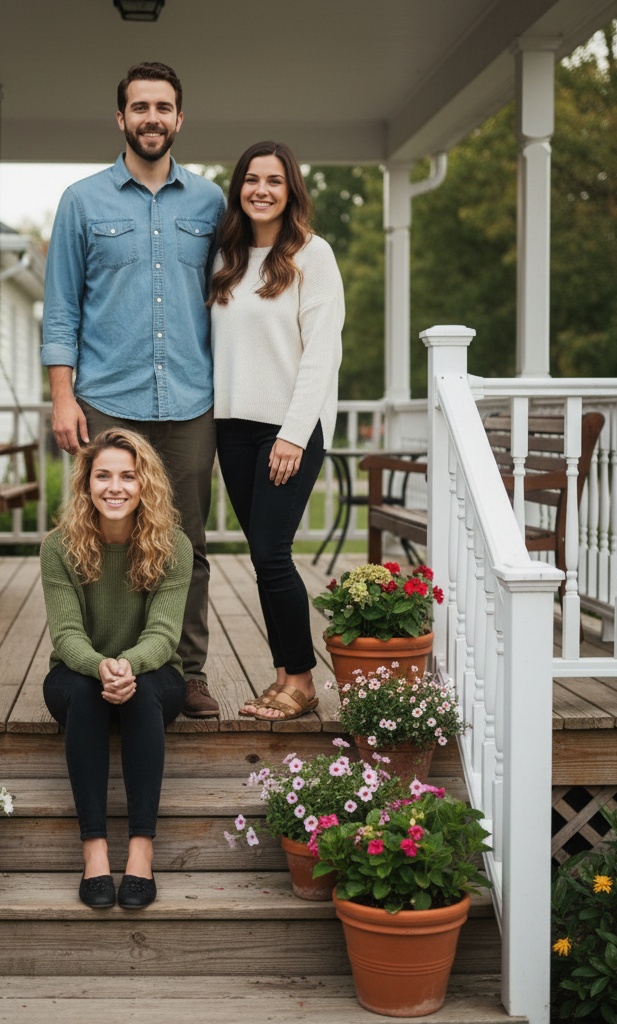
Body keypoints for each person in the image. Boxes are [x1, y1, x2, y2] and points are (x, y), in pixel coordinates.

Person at [41, 61, 225, 719]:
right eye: (140, 107)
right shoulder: (82, 201)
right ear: (121, 118)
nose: (152, 118)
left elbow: (230, 298)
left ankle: (189, 670)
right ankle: (85, 658)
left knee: (188, 542)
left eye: (164, 107)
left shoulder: (210, 203)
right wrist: (63, 396)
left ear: (180, 118)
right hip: (105, 400)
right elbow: (61, 307)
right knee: (94, 534)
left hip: (190, 400)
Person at [209, 141, 345, 722]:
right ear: (238, 187)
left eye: (274, 180)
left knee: (271, 553)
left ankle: (303, 683)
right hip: (232, 427)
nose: (260, 189)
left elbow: (321, 354)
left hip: (288, 428)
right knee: (263, 554)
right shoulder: (226, 258)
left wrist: (293, 433)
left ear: (291, 191)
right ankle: (285, 675)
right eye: (250, 179)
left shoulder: (313, 256)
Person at [41, 428, 191, 910]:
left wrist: (127, 666)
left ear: (145, 484)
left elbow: (165, 636)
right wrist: (102, 666)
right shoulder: (59, 547)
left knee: (145, 691)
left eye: (128, 476)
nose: (115, 487)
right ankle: (96, 853)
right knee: (84, 694)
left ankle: (142, 853)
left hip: (153, 674)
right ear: (86, 484)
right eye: (103, 475)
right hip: (78, 671)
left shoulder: (174, 546)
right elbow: (66, 637)